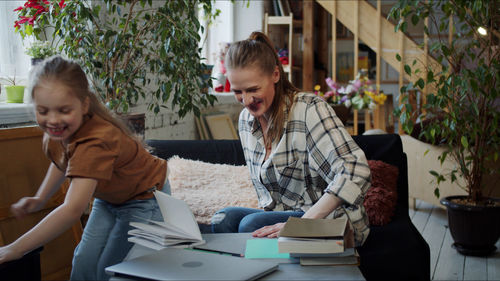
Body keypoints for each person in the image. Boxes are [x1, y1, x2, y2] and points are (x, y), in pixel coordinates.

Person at [0, 56, 168, 280]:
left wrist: (16, 248)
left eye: (63, 110)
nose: (53, 120)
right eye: (43, 111)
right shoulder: (59, 132)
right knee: (83, 261)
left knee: (108, 270)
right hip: (110, 198)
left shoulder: (95, 142)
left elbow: (72, 210)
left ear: (84, 105)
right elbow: (62, 163)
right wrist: (40, 198)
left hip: (145, 198)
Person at [211, 32, 371, 247]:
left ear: (275, 75)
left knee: (251, 225)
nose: (246, 101)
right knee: (223, 219)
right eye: (238, 91)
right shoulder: (245, 121)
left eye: (253, 89)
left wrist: (301, 225)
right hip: (285, 217)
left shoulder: (308, 109)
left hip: (330, 220)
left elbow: (355, 169)